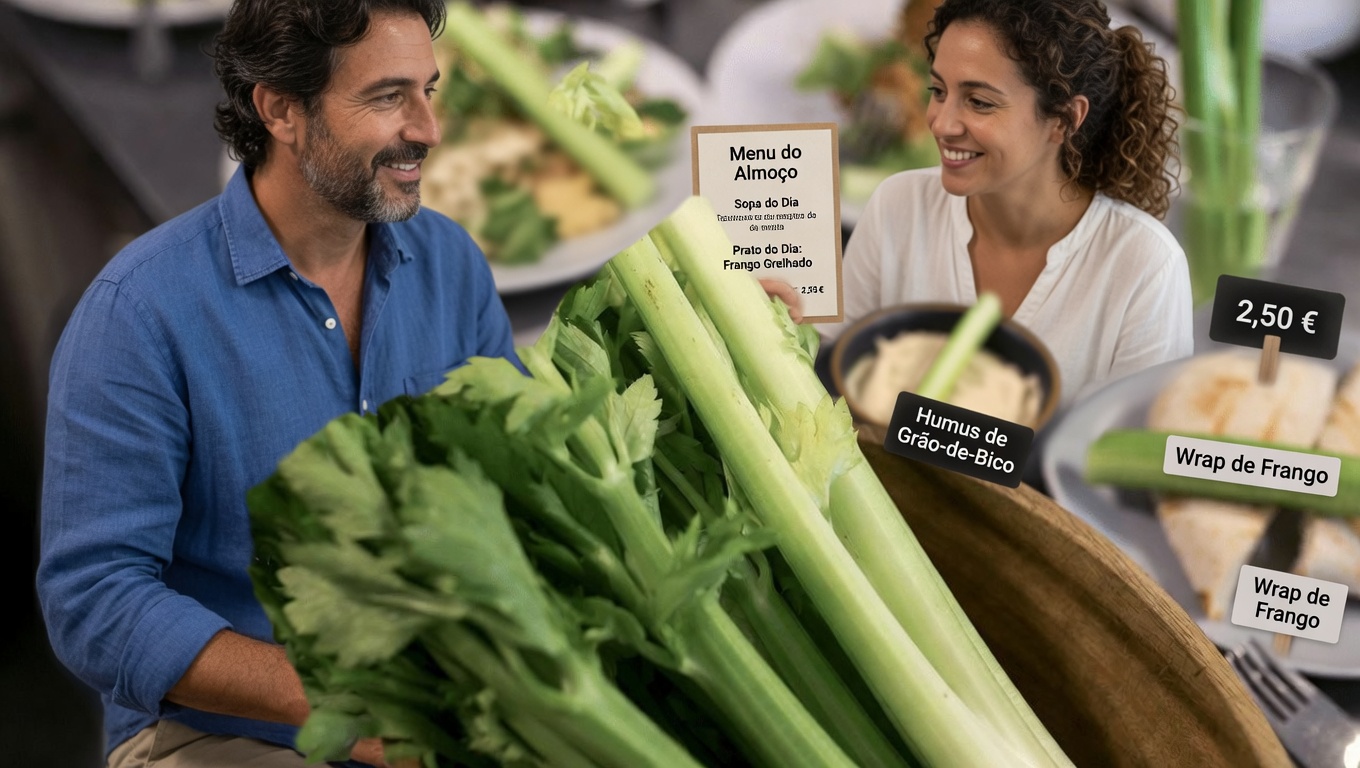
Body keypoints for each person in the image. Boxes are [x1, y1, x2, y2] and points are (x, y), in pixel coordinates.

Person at [36, 1, 518, 766]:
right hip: (220, 729)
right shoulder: (138, 313)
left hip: (435, 700)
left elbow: (518, 477)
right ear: (281, 110)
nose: (429, 129)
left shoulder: (451, 263)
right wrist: (353, 713)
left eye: (428, 90)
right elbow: (95, 604)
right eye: (387, 96)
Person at [816, 0, 1193, 405]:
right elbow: (827, 375)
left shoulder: (1146, 266)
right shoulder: (899, 204)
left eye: (979, 102)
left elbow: (1136, 434)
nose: (941, 123)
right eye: (938, 91)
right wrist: (786, 322)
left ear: (1066, 119)